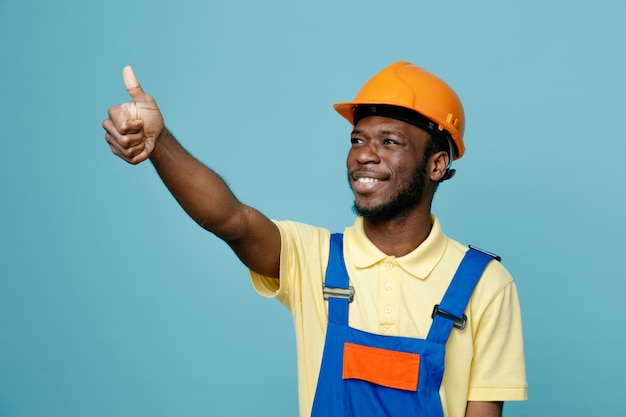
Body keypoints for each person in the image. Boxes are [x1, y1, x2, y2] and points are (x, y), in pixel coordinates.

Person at [103, 62, 527, 417]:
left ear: (437, 165)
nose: (364, 153)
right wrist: (160, 145)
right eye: (357, 139)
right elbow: (230, 219)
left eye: (389, 141)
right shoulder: (315, 259)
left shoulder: (485, 285)